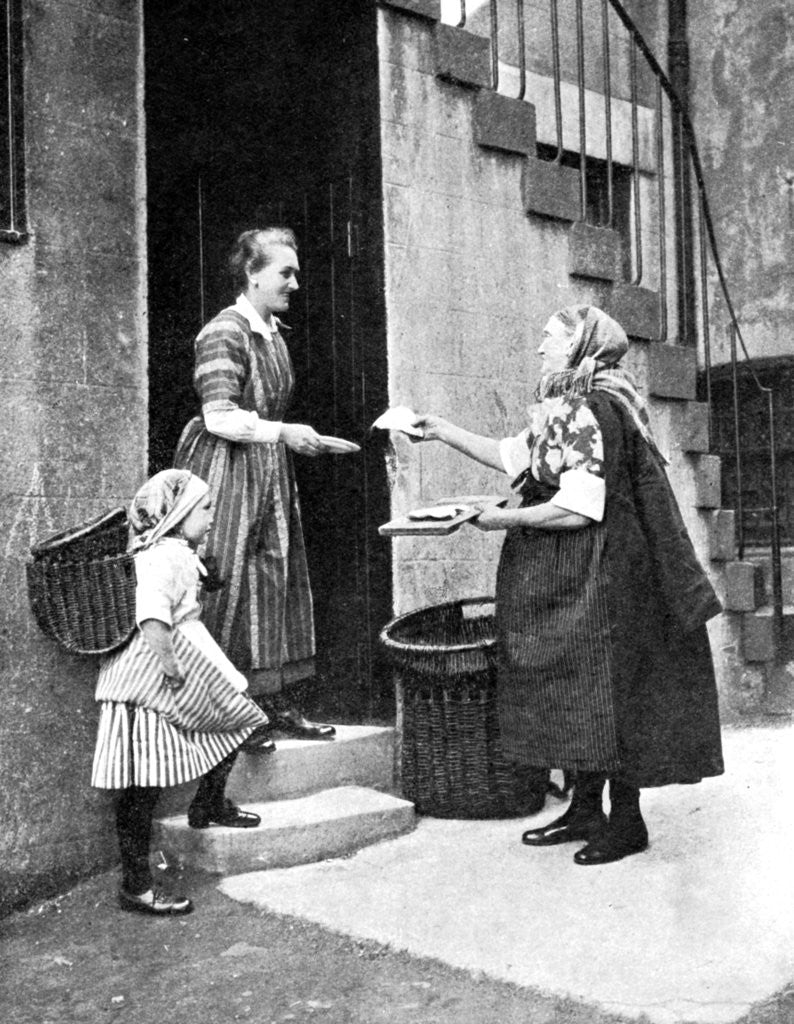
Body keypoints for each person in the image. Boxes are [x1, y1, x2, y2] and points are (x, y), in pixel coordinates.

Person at [413, 305, 724, 865]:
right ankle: (584, 809)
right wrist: (442, 431)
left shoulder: (591, 406)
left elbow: (578, 508)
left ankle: (626, 823)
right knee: (577, 690)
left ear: (582, 348)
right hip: (579, 568)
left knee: (607, 694)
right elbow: (517, 456)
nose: (540, 348)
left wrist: (502, 518)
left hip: (601, 571)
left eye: (551, 339)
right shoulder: (575, 402)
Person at [174, 227, 335, 740]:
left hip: (267, 469)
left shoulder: (273, 333)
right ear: (252, 273)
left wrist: (285, 438)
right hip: (224, 469)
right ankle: (222, 710)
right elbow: (219, 416)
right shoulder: (224, 332)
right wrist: (283, 432)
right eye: (285, 273)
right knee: (226, 577)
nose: (295, 284)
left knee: (272, 576)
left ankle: (269, 704)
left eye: (296, 273)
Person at [92, 469, 274, 916]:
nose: (212, 517)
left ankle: (208, 804)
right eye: (205, 508)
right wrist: (173, 672)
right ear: (178, 512)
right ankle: (136, 886)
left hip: (185, 654)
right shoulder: (164, 557)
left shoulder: (174, 552)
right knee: (143, 784)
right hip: (153, 674)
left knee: (237, 718)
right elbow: (153, 618)